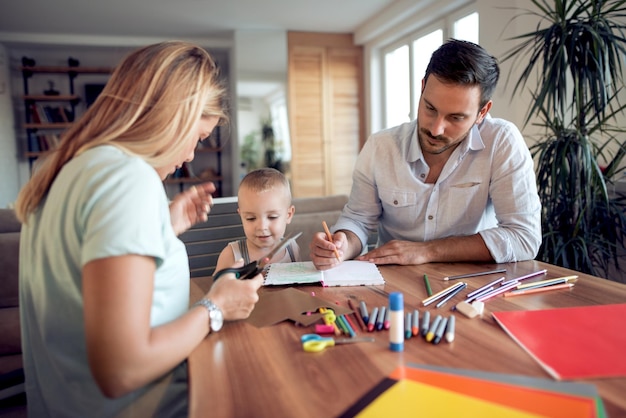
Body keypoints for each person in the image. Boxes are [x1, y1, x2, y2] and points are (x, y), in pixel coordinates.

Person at [14, 41, 264, 417]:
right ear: (173, 116)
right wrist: (216, 306)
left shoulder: (62, 173)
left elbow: (79, 279)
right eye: (197, 138)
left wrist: (162, 226)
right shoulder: (128, 180)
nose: (190, 157)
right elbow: (122, 368)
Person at [310, 39, 541, 270]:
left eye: (456, 118)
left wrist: (428, 250)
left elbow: (524, 237)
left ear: (482, 112)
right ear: (422, 88)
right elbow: (358, 221)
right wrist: (341, 245)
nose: (435, 129)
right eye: (430, 108)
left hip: (473, 287)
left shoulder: (501, 141)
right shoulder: (381, 147)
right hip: (393, 285)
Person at [214, 167, 300, 274]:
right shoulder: (231, 254)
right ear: (241, 216)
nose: (262, 226)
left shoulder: (292, 248)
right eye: (251, 218)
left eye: (272, 217)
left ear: (289, 215)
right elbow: (216, 288)